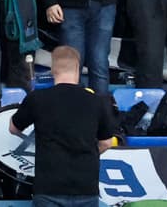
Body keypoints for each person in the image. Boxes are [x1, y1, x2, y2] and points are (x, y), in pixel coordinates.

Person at [8, 45, 114, 207]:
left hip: (48, 188)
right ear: (77, 69)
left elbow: (13, 128)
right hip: (86, 187)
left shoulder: (37, 98)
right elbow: (106, 142)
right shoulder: (97, 101)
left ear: (53, 70)